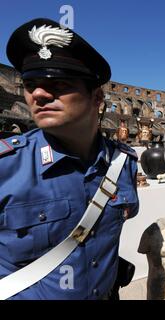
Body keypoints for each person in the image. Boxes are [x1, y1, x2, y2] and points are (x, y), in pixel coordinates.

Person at [0, 18, 139, 299]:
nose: (38, 93)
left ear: (97, 98)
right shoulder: (5, 165)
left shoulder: (124, 163)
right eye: (30, 84)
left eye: (58, 83)